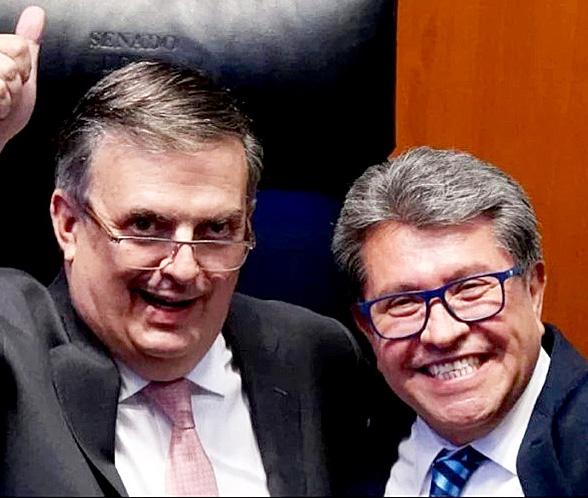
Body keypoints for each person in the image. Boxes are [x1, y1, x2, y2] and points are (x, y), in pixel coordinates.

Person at [0, 7, 381, 496]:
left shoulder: (317, 356)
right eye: (145, 226)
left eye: (216, 229)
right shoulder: (12, 343)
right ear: (68, 223)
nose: (183, 268)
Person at [332, 145, 588, 496]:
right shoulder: (342, 444)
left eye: (470, 289)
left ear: (533, 290)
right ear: (367, 328)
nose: (442, 333)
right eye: (403, 303)